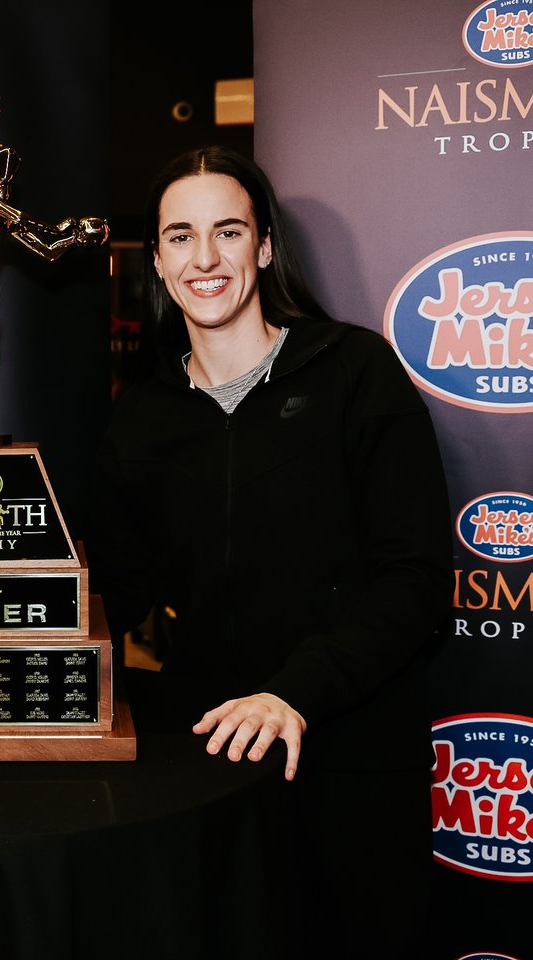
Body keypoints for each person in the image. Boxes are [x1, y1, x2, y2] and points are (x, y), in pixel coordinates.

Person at [88, 146, 452, 958]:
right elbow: (111, 593)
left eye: (227, 231)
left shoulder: (355, 373)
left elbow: (417, 581)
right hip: (211, 762)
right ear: (156, 258)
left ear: (264, 246)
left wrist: (294, 694)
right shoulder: (143, 416)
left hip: (352, 757)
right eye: (179, 237)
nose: (204, 258)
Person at [0, 146, 108, 439]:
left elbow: (47, 252)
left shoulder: (4, 222)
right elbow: (20, 216)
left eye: (8, 183)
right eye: (4, 182)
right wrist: (58, 226)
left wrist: (73, 239)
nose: (5, 188)